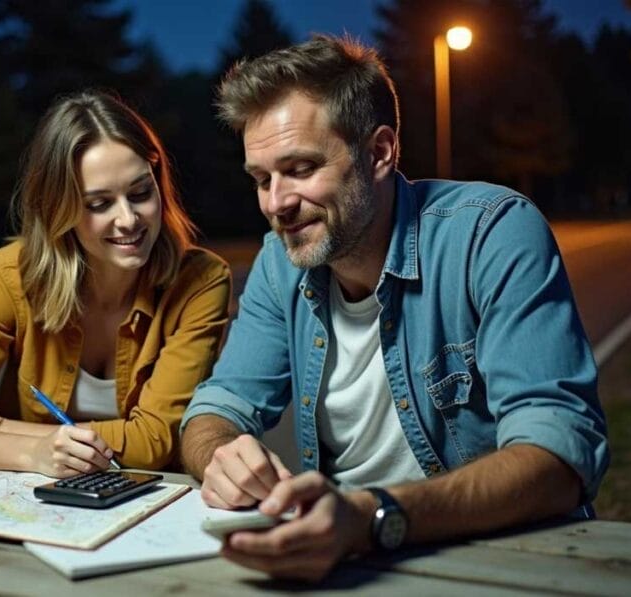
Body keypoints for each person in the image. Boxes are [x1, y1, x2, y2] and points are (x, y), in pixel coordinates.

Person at [179, 35, 609, 581]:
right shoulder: (279, 262)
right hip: (352, 559)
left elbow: (558, 457)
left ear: (379, 152)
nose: (276, 204)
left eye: (302, 168)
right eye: (262, 179)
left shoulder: (493, 231)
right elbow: (218, 405)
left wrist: (373, 516)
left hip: (505, 559)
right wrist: (220, 457)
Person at [0, 90, 231, 477]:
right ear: (60, 207)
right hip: (27, 503)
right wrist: (31, 455)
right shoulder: (12, 275)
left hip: (144, 503)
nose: (128, 219)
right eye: (98, 204)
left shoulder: (201, 281)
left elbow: (154, 440)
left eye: (140, 193)